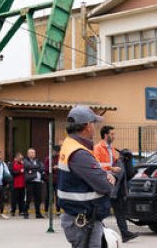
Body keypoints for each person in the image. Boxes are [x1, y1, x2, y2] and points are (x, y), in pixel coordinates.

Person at [57, 105, 114, 248]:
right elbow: (105, 186)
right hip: (83, 221)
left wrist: (104, 174)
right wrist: (108, 178)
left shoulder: (70, 144)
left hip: (79, 216)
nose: (95, 126)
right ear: (88, 126)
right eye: (94, 123)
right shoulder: (79, 153)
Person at [93, 126, 135, 241]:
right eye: (112, 134)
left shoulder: (111, 148)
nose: (114, 136)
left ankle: (125, 233)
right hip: (104, 182)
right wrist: (111, 168)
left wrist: (124, 158)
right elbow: (96, 165)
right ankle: (98, 232)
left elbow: (117, 161)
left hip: (114, 183)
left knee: (119, 209)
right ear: (106, 135)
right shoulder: (98, 148)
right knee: (102, 209)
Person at [23, 148, 46, 218]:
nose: (33, 154)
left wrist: (34, 169)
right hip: (30, 181)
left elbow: (42, 168)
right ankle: (26, 212)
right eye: (32, 153)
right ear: (28, 154)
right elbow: (28, 166)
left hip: (38, 182)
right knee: (28, 198)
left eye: (34, 153)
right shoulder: (25, 160)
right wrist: (37, 168)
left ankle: (38, 213)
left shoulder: (38, 161)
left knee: (38, 198)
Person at [11, 153, 27, 217]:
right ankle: (13, 211)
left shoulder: (23, 164)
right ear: (16, 158)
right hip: (15, 184)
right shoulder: (12, 164)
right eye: (20, 158)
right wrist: (20, 171)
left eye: (22, 158)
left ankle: (21, 211)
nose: (21, 159)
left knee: (22, 198)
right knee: (14, 199)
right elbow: (12, 172)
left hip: (22, 184)